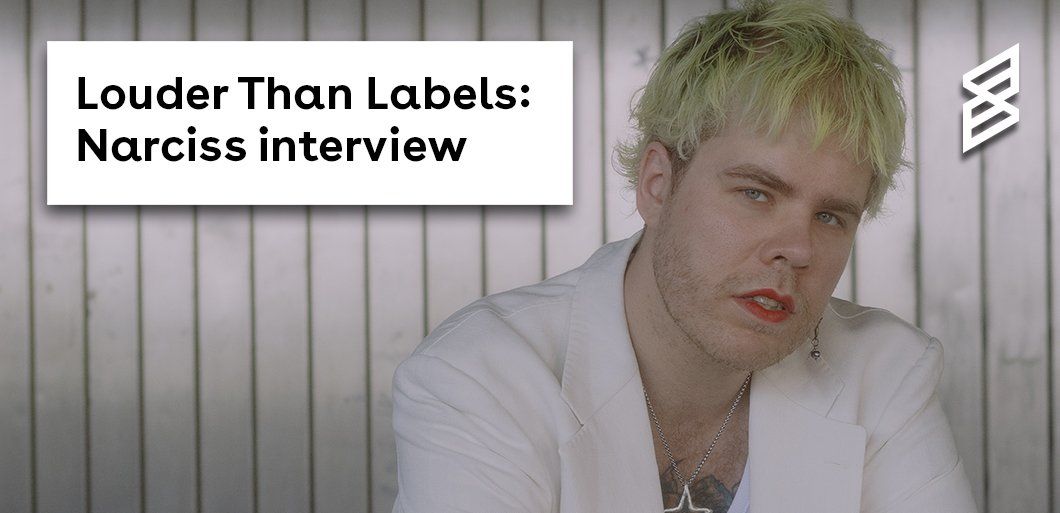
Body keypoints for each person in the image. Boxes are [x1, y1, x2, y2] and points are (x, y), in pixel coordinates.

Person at [391, 1, 978, 512]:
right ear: (657, 184)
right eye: (756, 193)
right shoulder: (483, 375)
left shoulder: (886, 372)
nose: (798, 249)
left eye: (830, 216)